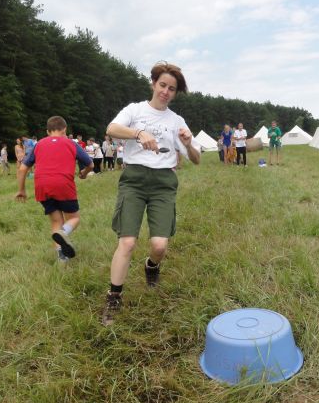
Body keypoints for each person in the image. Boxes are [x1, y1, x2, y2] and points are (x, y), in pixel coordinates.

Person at [102, 61, 200, 326]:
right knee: (128, 242)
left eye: (172, 88)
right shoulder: (135, 110)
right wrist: (138, 132)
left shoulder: (177, 121)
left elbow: (196, 158)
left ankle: (152, 266)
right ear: (153, 84)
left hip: (163, 183)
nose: (166, 92)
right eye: (162, 85)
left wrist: (189, 144)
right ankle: (114, 296)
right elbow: (111, 129)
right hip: (133, 180)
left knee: (159, 245)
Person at [15, 116, 93, 262]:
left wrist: (22, 190)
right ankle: (64, 233)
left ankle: (62, 259)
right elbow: (90, 164)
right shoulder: (71, 143)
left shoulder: (38, 145)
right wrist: (84, 173)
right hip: (63, 185)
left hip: (42, 186)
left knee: (56, 222)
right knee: (74, 218)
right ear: (65, 129)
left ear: (47, 131)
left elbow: (23, 168)